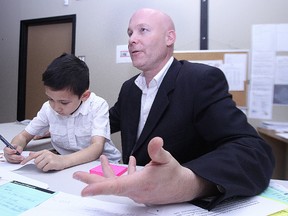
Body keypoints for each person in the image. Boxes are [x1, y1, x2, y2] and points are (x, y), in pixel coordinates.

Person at [73, 8, 274, 210]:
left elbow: (253, 152)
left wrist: (188, 182)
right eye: (130, 33)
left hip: (180, 206)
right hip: (130, 203)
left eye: (143, 30)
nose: (132, 39)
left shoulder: (200, 80)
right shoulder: (130, 88)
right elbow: (107, 120)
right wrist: (65, 119)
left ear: (170, 37)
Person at [4, 53, 121, 172]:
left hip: (103, 165)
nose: (56, 107)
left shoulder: (97, 105)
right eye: (50, 99)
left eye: (64, 102)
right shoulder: (48, 108)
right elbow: (23, 136)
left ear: (84, 96)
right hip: (68, 167)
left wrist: (63, 161)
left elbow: (97, 147)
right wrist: (14, 148)